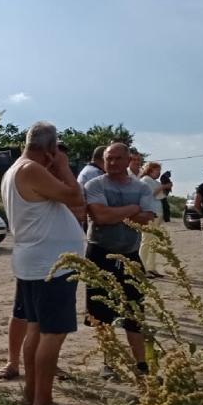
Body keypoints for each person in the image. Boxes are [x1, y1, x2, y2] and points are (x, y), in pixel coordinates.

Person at [0, 122, 85, 405]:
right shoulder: (31, 170)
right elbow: (75, 196)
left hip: (35, 262)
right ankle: (43, 404)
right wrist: (63, 166)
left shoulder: (14, 170)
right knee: (52, 333)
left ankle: (32, 395)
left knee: (36, 329)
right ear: (49, 149)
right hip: (50, 266)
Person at [84, 144, 156, 378]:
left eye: (117, 158)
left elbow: (146, 220)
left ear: (128, 160)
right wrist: (133, 209)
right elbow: (100, 217)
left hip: (130, 255)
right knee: (101, 313)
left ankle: (141, 365)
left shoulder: (141, 187)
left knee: (135, 312)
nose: (112, 163)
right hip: (100, 253)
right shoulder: (95, 185)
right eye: (108, 159)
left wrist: (115, 212)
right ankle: (109, 363)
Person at [138, 162, 167, 277]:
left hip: (157, 213)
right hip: (149, 214)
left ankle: (151, 267)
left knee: (153, 242)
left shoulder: (155, 181)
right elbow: (151, 194)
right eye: (157, 170)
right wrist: (163, 187)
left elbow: (162, 195)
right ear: (150, 170)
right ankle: (142, 268)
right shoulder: (145, 180)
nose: (159, 172)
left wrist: (164, 186)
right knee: (146, 241)